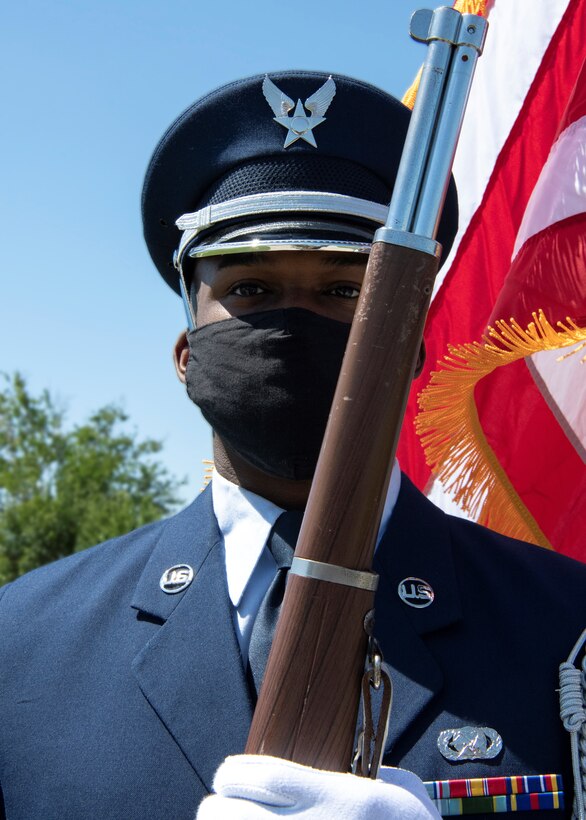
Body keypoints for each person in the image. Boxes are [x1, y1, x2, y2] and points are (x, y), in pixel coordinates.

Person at [0, 70, 584, 820]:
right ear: (186, 352)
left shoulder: (566, 627)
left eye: (346, 294)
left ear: (409, 349)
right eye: (250, 290)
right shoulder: (23, 644)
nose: (293, 324)